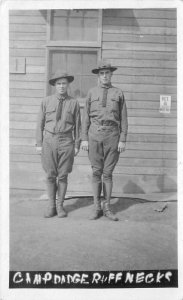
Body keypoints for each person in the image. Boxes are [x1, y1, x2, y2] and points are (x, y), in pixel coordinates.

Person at [81, 61, 128, 221]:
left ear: (111, 74)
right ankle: (96, 207)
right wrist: (84, 139)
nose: (105, 76)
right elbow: (85, 117)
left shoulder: (118, 93)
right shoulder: (92, 93)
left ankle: (107, 207)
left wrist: (122, 139)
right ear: (98, 76)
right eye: (102, 73)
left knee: (107, 173)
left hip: (112, 135)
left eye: (107, 73)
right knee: (96, 172)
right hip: (94, 134)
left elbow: (124, 119)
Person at [36, 70, 81, 218]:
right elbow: (39, 124)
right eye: (59, 83)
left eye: (64, 84)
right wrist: (39, 143)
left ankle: (60, 206)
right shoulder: (46, 101)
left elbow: (78, 125)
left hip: (66, 141)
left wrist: (76, 145)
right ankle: (51, 207)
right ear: (55, 85)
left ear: (68, 85)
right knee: (50, 175)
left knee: (62, 175)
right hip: (49, 141)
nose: (62, 86)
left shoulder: (73, 103)